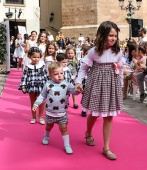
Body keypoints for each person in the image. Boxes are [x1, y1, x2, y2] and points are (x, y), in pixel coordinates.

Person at [75, 21, 124, 160]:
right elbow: (84, 68)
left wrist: (120, 86)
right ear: (103, 36)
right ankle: (88, 132)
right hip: (96, 83)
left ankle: (106, 148)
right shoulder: (94, 51)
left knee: (109, 116)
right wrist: (79, 81)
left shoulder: (118, 52)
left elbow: (119, 70)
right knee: (95, 113)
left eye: (115, 36)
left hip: (111, 84)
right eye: (110, 35)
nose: (113, 38)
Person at [32, 62, 79, 154]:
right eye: (56, 74)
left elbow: (74, 92)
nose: (59, 76)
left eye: (61, 73)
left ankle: (67, 145)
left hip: (62, 113)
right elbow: (42, 95)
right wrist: (36, 103)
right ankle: (46, 136)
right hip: (50, 112)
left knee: (64, 128)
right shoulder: (48, 84)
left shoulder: (67, 84)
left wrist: (78, 90)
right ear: (50, 75)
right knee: (49, 126)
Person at [18, 47, 48, 124]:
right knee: (33, 101)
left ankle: (40, 117)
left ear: (40, 57)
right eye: (34, 57)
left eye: (38, 57)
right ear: (29, 57)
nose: (36, 59)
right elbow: (24, 77)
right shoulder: (27, 67)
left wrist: (48, 85)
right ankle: (33, 117)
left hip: (41, 85)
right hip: (31, 86)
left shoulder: (42, 65)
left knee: (41, 101)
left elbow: (46, 76)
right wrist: (23, 86)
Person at [77, 45, 92, 117]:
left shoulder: (93, 61)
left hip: (91, 79)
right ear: (83, 54)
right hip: (84, 80)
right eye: (87, 54)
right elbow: (80, 70)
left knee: (91, 95)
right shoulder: (81, 61)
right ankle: (84, 109)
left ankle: (92, 109)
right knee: (85, 95)